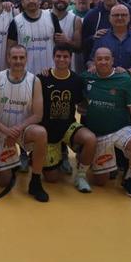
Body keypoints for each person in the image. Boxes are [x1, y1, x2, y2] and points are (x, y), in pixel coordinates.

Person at [82, 48, 131, 198]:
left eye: (107, 59)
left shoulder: (124, 79)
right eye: (99, 59)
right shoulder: (86, 77)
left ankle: (130, 178)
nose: (103, 62)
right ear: (94, 61)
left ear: (113, 60)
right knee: (100, 182)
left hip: (120, 129)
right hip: (97, 135)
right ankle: (109, 165)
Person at [0, 45, 49, 202]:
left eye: (21, 58)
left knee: (41, 133)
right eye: (14, 57)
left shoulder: (34, 81)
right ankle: (12, 161)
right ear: (8, 58)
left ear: (26, 59)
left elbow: (38, 115)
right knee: (4, 182)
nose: (18, 61)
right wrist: (6, 131)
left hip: (22, 130)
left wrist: (16, 130)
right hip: (1, 131)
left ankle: (35, 181)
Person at [38, 46, 95, 192]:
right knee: (52, 179)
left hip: (68, 127)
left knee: (90, 139)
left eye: (65, 56)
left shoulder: (77, 80)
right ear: (53, 57)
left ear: (70, 59)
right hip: (48, 131)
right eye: (58, 56)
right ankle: (51, 155)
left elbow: (81, 105)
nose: (61, 59)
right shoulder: (43, 78)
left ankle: (81, 176)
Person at [90, 4, 131, 94]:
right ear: (109, 18)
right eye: (116, 15)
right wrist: (92, 66)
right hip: (106, 86)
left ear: (129, 17)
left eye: (124, 15)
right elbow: (91, 60)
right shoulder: (101, 36)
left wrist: (128, 72)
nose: (120, 18)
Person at [7, 0, 63, 75]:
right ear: (22, 2)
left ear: (40, 0)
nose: (31, 1)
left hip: (50, 72)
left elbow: (60, 45)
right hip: (25, 74)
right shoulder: (16, 22)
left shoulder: (52, 17)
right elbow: (10, 49)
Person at [51, 0, 82, 73]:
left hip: (67, 69)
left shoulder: (75, 20)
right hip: (46, 67)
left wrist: (67, 40)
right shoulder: (43, 16)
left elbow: (79, 47)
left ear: (69, 1)